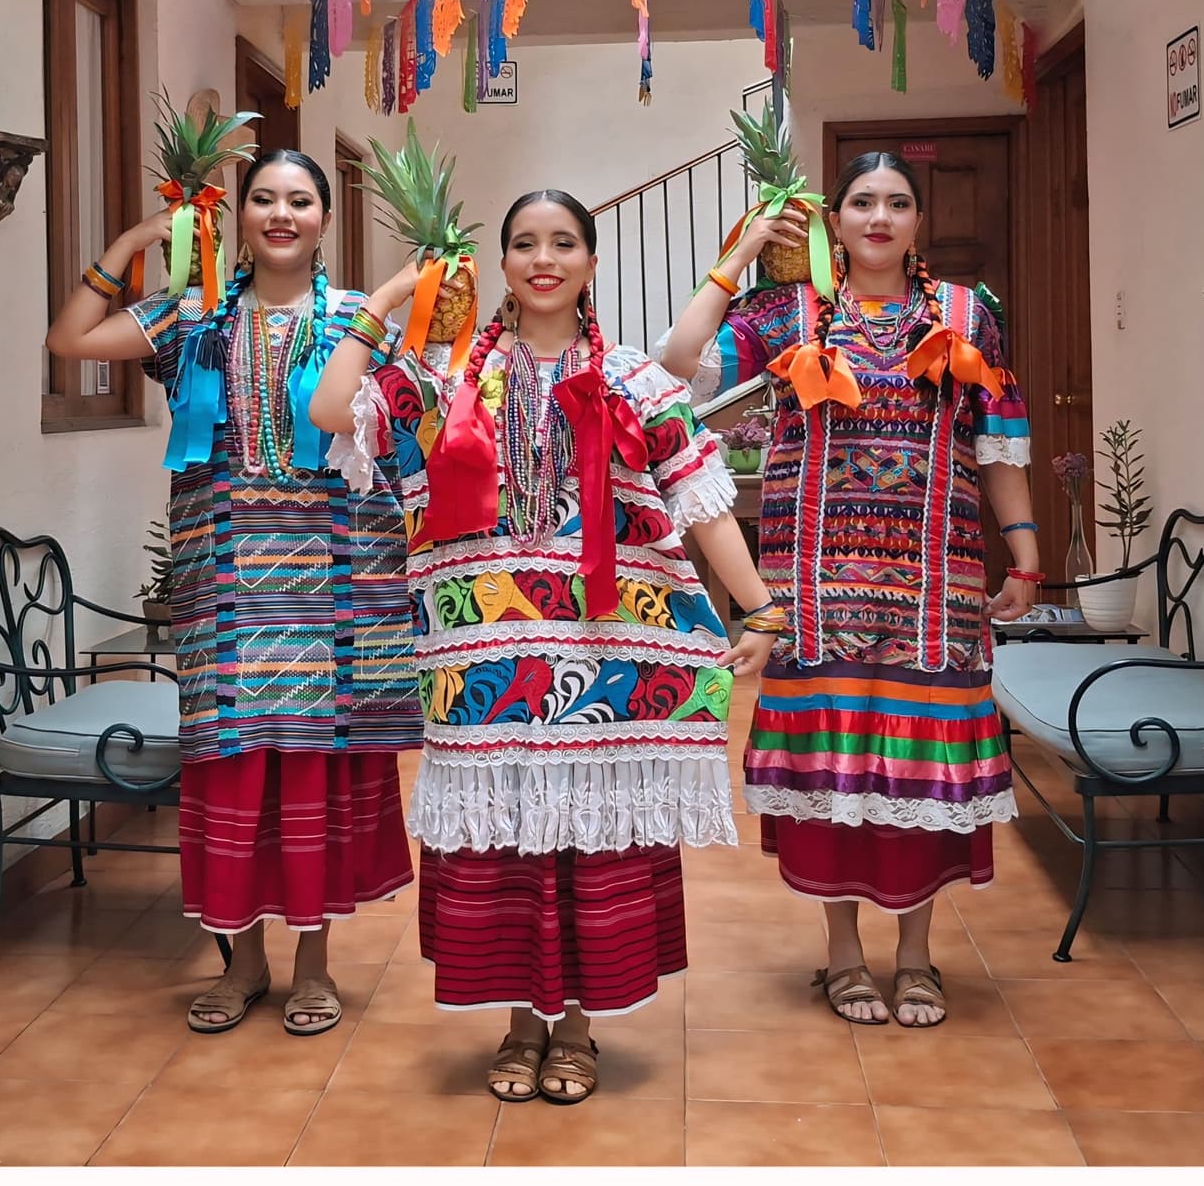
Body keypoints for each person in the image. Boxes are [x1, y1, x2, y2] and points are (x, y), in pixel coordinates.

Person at [312, 190, 782, 1104]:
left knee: (585, 844)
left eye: (563, 242)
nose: (543, 258)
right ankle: (519, 1023)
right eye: (523, 241)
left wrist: (760, 608)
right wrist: (382, 305)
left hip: (605, 659)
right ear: (501, 263)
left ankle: (576, 1027)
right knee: (509, 847)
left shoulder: (637, 382)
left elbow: (699, 494)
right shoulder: (445, 379)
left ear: (591, 263)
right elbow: (335, 409)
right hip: (485, 666)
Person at [659, 151, 1040, 1029]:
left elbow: (1002, 445)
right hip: (814, 589)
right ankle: (842, 954)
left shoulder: (967, 313)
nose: (879, 216)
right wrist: (738, 253)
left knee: (921, 777)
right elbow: (678, 362)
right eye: (861, 202)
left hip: (934, 588)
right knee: (832, 775)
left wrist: (1023, 558)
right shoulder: (781, 310)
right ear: (833, 221)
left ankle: (915, 955)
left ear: (918, 221)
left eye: (897, 203)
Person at [45, 149, 419, 1039]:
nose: (280, 213)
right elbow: (71, 339)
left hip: (336, 587)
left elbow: (411, 433)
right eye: (263, 199)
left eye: (300, 199)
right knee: (235, 768)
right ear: (238, 216)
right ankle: (243, 963)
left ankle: (314, 965)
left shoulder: (356, 321)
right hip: (226, 585)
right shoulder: (194, 317)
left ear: (326, 219)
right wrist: (142, 238)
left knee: (311, 770)